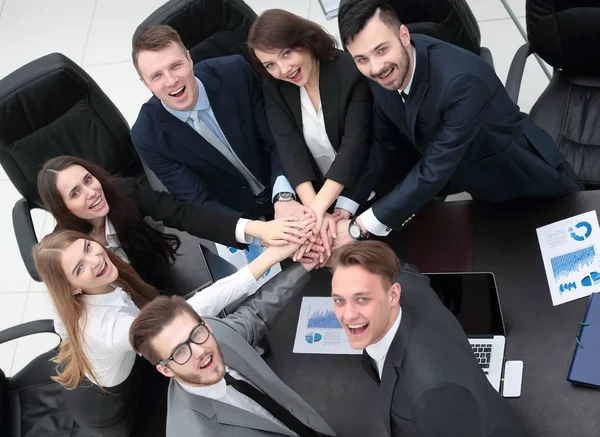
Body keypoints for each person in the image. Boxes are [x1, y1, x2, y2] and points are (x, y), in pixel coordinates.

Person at [332, 0, 582, 247]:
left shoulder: (462, 82)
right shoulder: (381, 74)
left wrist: (360, 227)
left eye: (382, 50)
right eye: (361, 59)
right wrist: (346, 206)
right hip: (476, 187)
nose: (376, 68)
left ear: (405, 35)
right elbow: (381, 144)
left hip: (524, 179)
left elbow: (434, 170)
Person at [33, 229, 299, 437]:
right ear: (72, 289)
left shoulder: (87, 286)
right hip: (106, 407)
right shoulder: (109, 330)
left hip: (97, 370)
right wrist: (268, 259)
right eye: (79, 268)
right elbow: (183, 314)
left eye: (88, 247)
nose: (95, 260)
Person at [330, 241, 529, 437]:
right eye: (339, 300)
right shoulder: (407, 282)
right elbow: (401, 267)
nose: (348, 315)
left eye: (362, 299)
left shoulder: (431, 391)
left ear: (393, 295)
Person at [38, 156, 313, 292]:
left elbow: (184, 213)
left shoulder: (123, 192)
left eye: (88, 180)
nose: (91, 192)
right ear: (63, 208)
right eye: (75, 193)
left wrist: (257, 230)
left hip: (155, 281)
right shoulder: (68, 250)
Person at [130, 24, 311, 222]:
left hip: (293, 182)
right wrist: (253, 230)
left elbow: (278, 139)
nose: (171, 80)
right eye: (157, 76)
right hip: (239, 221)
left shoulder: (236, 73)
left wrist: (284, 196)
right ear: (145, 83)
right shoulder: (147, 136)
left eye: (176, 66)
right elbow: (196, 199)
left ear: (189, 59)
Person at [130, 263, 336, 436]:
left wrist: (306, 265)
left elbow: (255, 314)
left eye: (196, 334)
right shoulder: (192, 431)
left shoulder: (214, 334)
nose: (200, 351)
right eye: (180, 352)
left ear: (206, 325)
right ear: (166, 370)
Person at [248, 9, 372, 260]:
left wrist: (314, 213)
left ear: (305, 40)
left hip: (367, 188)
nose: (283, 69)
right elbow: (289, 149)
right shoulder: (274, 87)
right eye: (270, 64)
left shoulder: (348, 70)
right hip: (321, 196)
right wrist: (317, 213)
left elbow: (354, 147)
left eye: (287, 53)